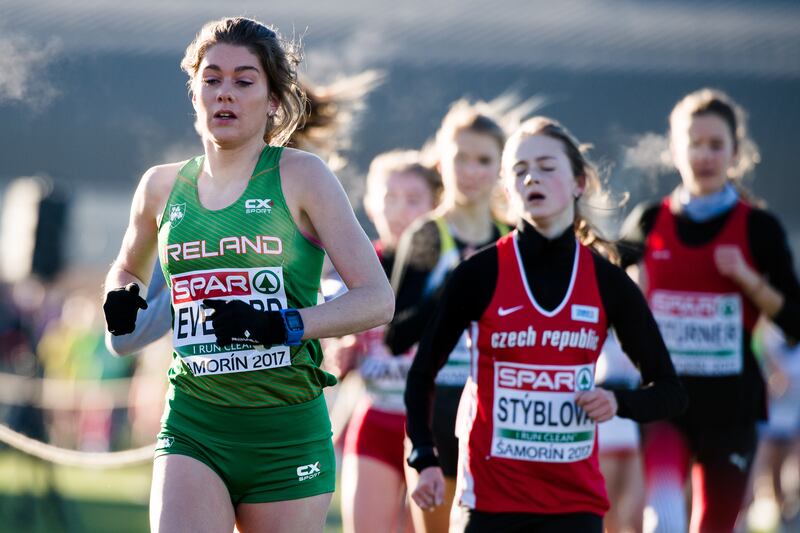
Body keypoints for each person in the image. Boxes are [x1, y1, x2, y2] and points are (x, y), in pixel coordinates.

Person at [101, 17, 394, 533]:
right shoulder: (161, 187)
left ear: (273, 100)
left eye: (243, 80)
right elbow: (127, 267)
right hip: (194, 423)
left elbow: (376, 299)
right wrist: (121, 293)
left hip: (286, 432)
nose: (225, 94)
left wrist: (286, 325)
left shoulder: (303, 177)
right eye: (211, 79)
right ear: (193, 93)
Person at [405, 116, 687, 533]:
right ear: (507, 188)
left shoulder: (606, 281)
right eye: (519, 170)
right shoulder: (479, 274)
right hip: (488, 507)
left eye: (546, 167)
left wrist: (618, 403)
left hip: (574, 509)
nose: (532, 178)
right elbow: (422, 374)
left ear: (580, 182)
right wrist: (424, 458)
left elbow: (670, 392)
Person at [619, 88, 800, 533]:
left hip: (732, 409)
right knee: (662, 520)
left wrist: (749, 280)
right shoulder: (647, 222)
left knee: (714, 526)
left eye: (715, 145)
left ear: (735, 153)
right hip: (666, 403)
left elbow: (795, 321)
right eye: (693, 144)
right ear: (675, 151)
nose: (704, 155)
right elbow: (599, 291)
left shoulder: (758, 228)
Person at [385, 99, 510, 533]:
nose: (471, 171)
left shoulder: (511, 240)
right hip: (435, 421)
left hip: (499, 424)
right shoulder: (427, 236)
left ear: (501, 167)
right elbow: (396, 336)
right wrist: (451, 287)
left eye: (483, 160)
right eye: (461, 158)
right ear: (442, 161)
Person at [336, 150, 441, 533]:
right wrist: (341, 355)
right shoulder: (356, 264)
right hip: (375, 418)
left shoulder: (451, 267)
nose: (399, 210)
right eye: (389, 197)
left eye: (413, 200)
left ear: (436, 205)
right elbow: (337, 350)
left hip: (433, 424)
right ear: (369, 202)